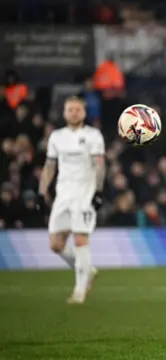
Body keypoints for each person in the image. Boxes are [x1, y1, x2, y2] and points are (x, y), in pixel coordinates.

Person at [38, 96, 106, 304]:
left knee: (80, 240)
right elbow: (50, 166)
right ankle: (87, 270)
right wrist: (43, 190)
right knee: (55, 244)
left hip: (84, 194)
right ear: (64, 113)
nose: (74, 113)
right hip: (63, 194)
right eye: (70, 110)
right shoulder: (57, 137)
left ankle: (79, 290)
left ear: (84, 113)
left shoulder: (93, 136)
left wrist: (98, 192)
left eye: (78, 109)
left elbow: (99, 166)